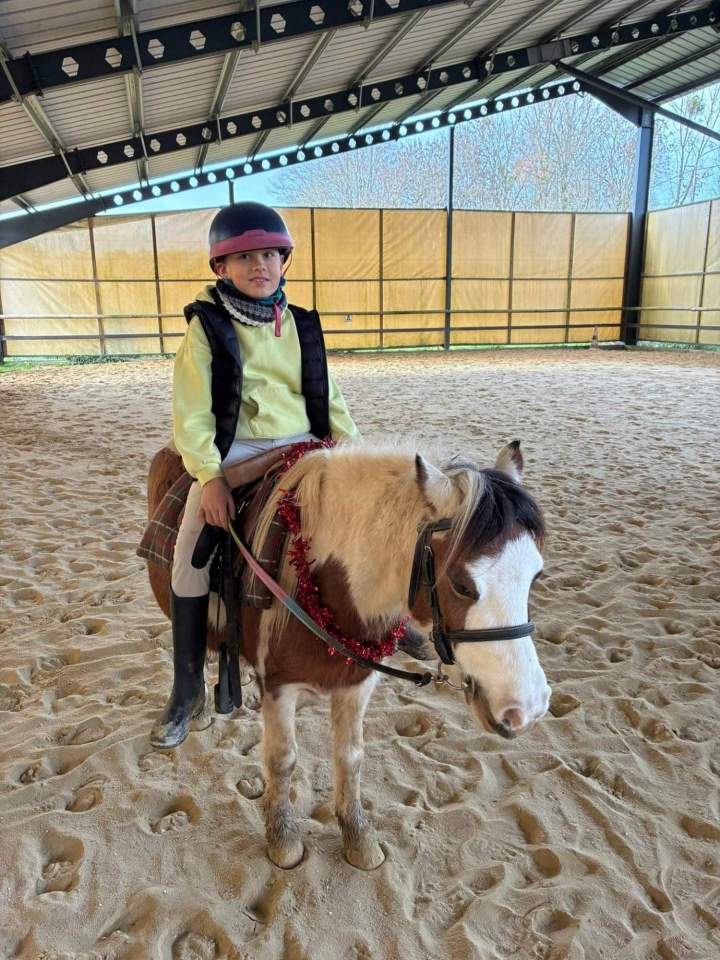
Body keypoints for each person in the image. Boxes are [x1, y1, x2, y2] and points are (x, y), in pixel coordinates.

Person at [150, 201, 360, 748]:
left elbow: (330, 400)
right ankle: (186, 688)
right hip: (235, 446)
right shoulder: (207, 327)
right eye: (243, 257)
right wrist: (210, 476)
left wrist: (356, 455)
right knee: (190, 551)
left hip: (305, 445)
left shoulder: (303, 325)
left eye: (269, 254)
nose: (258, 265)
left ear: (284, 262)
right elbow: (192, 411)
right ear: (221, 267)